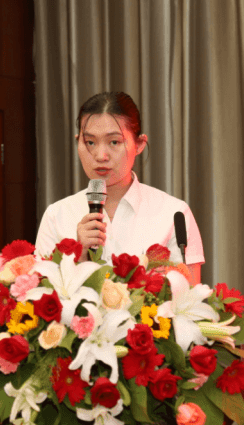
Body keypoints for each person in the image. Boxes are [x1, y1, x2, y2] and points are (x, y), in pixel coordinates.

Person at [35, 91, 204, 285]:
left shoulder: (174, 214)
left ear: (139, 144)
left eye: (114, 142)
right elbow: (40, 292)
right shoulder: (57, 215)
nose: (100, 155)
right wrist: (78, 256)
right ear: (78, 142)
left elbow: (191, 295)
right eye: (90, 142)